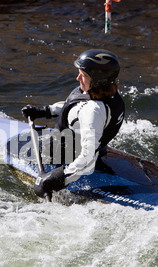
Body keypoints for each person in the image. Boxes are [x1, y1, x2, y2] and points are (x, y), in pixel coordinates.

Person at [22, 49, 125, 199]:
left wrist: (57, 178)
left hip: (67, 160)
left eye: (83, 76)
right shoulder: (109, 94)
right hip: (95, 150)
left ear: (98, 80)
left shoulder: (92, 111)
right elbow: (76, 105)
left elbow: (88, 156)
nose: (77, 78)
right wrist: (45, 111)